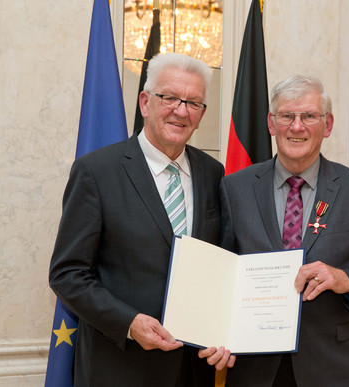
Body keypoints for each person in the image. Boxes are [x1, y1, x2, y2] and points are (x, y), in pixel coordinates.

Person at [201, 75, 349, 386]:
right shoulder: (235, 188)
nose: (297, 127)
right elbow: (221, 276)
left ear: (328, 124)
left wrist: (344, 278)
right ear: (271, 123)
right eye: (287, 116)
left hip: (338, 368)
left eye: (309, 116)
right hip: (256, 368)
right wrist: (216, 333)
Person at [49, 52, 223, 386]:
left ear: (201, 115)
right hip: (119, 366)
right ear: (145, 102)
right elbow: (67, 274)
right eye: (170, 97)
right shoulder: (96, 172)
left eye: (194, 103)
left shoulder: (213, 174)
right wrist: (129, 322)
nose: (181, 111)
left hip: (193, 369)